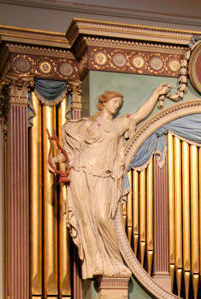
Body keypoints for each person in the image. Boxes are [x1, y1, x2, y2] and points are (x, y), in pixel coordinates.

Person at [62, 84, 170, 279]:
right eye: (114, 102)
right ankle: (97, 262)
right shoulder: (87, 125)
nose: (117, 106)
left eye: (119, 103)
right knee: (87, 219)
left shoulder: (118, 124)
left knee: (103, 217)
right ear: (103, 103)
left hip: (104, 175)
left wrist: (155, 93)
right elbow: (72, 150)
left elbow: (140, 114)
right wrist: (56, 160)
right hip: (83, 172)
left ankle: (114, 261)